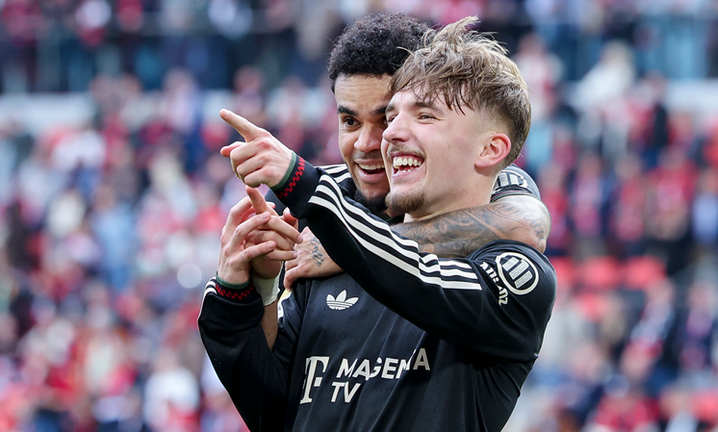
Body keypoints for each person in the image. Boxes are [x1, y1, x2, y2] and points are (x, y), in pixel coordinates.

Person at [199, 15, 556, 432]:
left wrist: (303, 184)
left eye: (407, 117)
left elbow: (519, 221)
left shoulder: (511, 266)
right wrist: (254, 288)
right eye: (349, 121)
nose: (377, 141)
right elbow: (276, 410)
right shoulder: (321, 239)